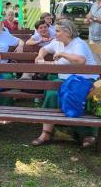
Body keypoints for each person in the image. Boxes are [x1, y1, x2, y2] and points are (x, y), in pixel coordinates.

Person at [32, 19, 98, 148]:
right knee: (51, 93)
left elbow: (81, 61)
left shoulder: (78, 43)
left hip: (83, 80)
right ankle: (46, 133)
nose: (54, 33)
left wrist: (62, 54)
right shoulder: (57, 42)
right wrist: (40, 56)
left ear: (67, 32)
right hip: (65, 79)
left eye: (57, 31)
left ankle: (87, 133)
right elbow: (44, 49)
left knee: (76, 95)